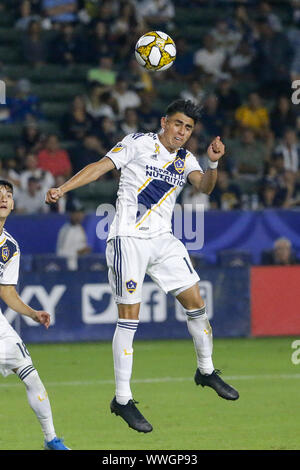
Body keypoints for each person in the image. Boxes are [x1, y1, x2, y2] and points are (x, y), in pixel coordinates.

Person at [46, 99, 239, 434]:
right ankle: (122, 398)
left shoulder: (186, 160)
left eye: (189, 128)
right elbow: (101, 166)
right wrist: (63, 188)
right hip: (127, 239)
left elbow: (205, 187)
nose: (182, 132)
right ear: (164, 122)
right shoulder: (138, 143)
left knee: (197, 305)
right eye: (178, 124)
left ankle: (206, 371)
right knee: (129, 319)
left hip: (163, 240)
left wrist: (213, 162)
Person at [0, 180, 70, 450]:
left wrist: (32, 313)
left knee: (31, 375)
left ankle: (51, 439)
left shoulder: (10, 247)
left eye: (8, 195)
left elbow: (7, 292)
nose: (4, 199)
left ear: (14, 204)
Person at [56, 200, 91, 270]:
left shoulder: (80, 229)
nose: (79, 215)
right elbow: (61, 253)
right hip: (67, 270)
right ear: (71, 214)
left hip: (80, 268)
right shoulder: (65, 230)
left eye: (81, 213)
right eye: (76, 213)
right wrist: (78, 252)